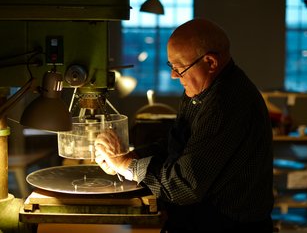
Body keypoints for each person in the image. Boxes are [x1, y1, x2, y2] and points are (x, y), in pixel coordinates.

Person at [95, 18, 274, 232]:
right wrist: (129, 157)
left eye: (179, 68)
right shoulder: (200, 92)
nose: (173, 75)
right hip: (196, 218)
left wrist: (127, 166)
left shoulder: (225, 104)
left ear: (210, 62)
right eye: (171, 66)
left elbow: (185, 185)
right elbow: (176, 145)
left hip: (228, 225)